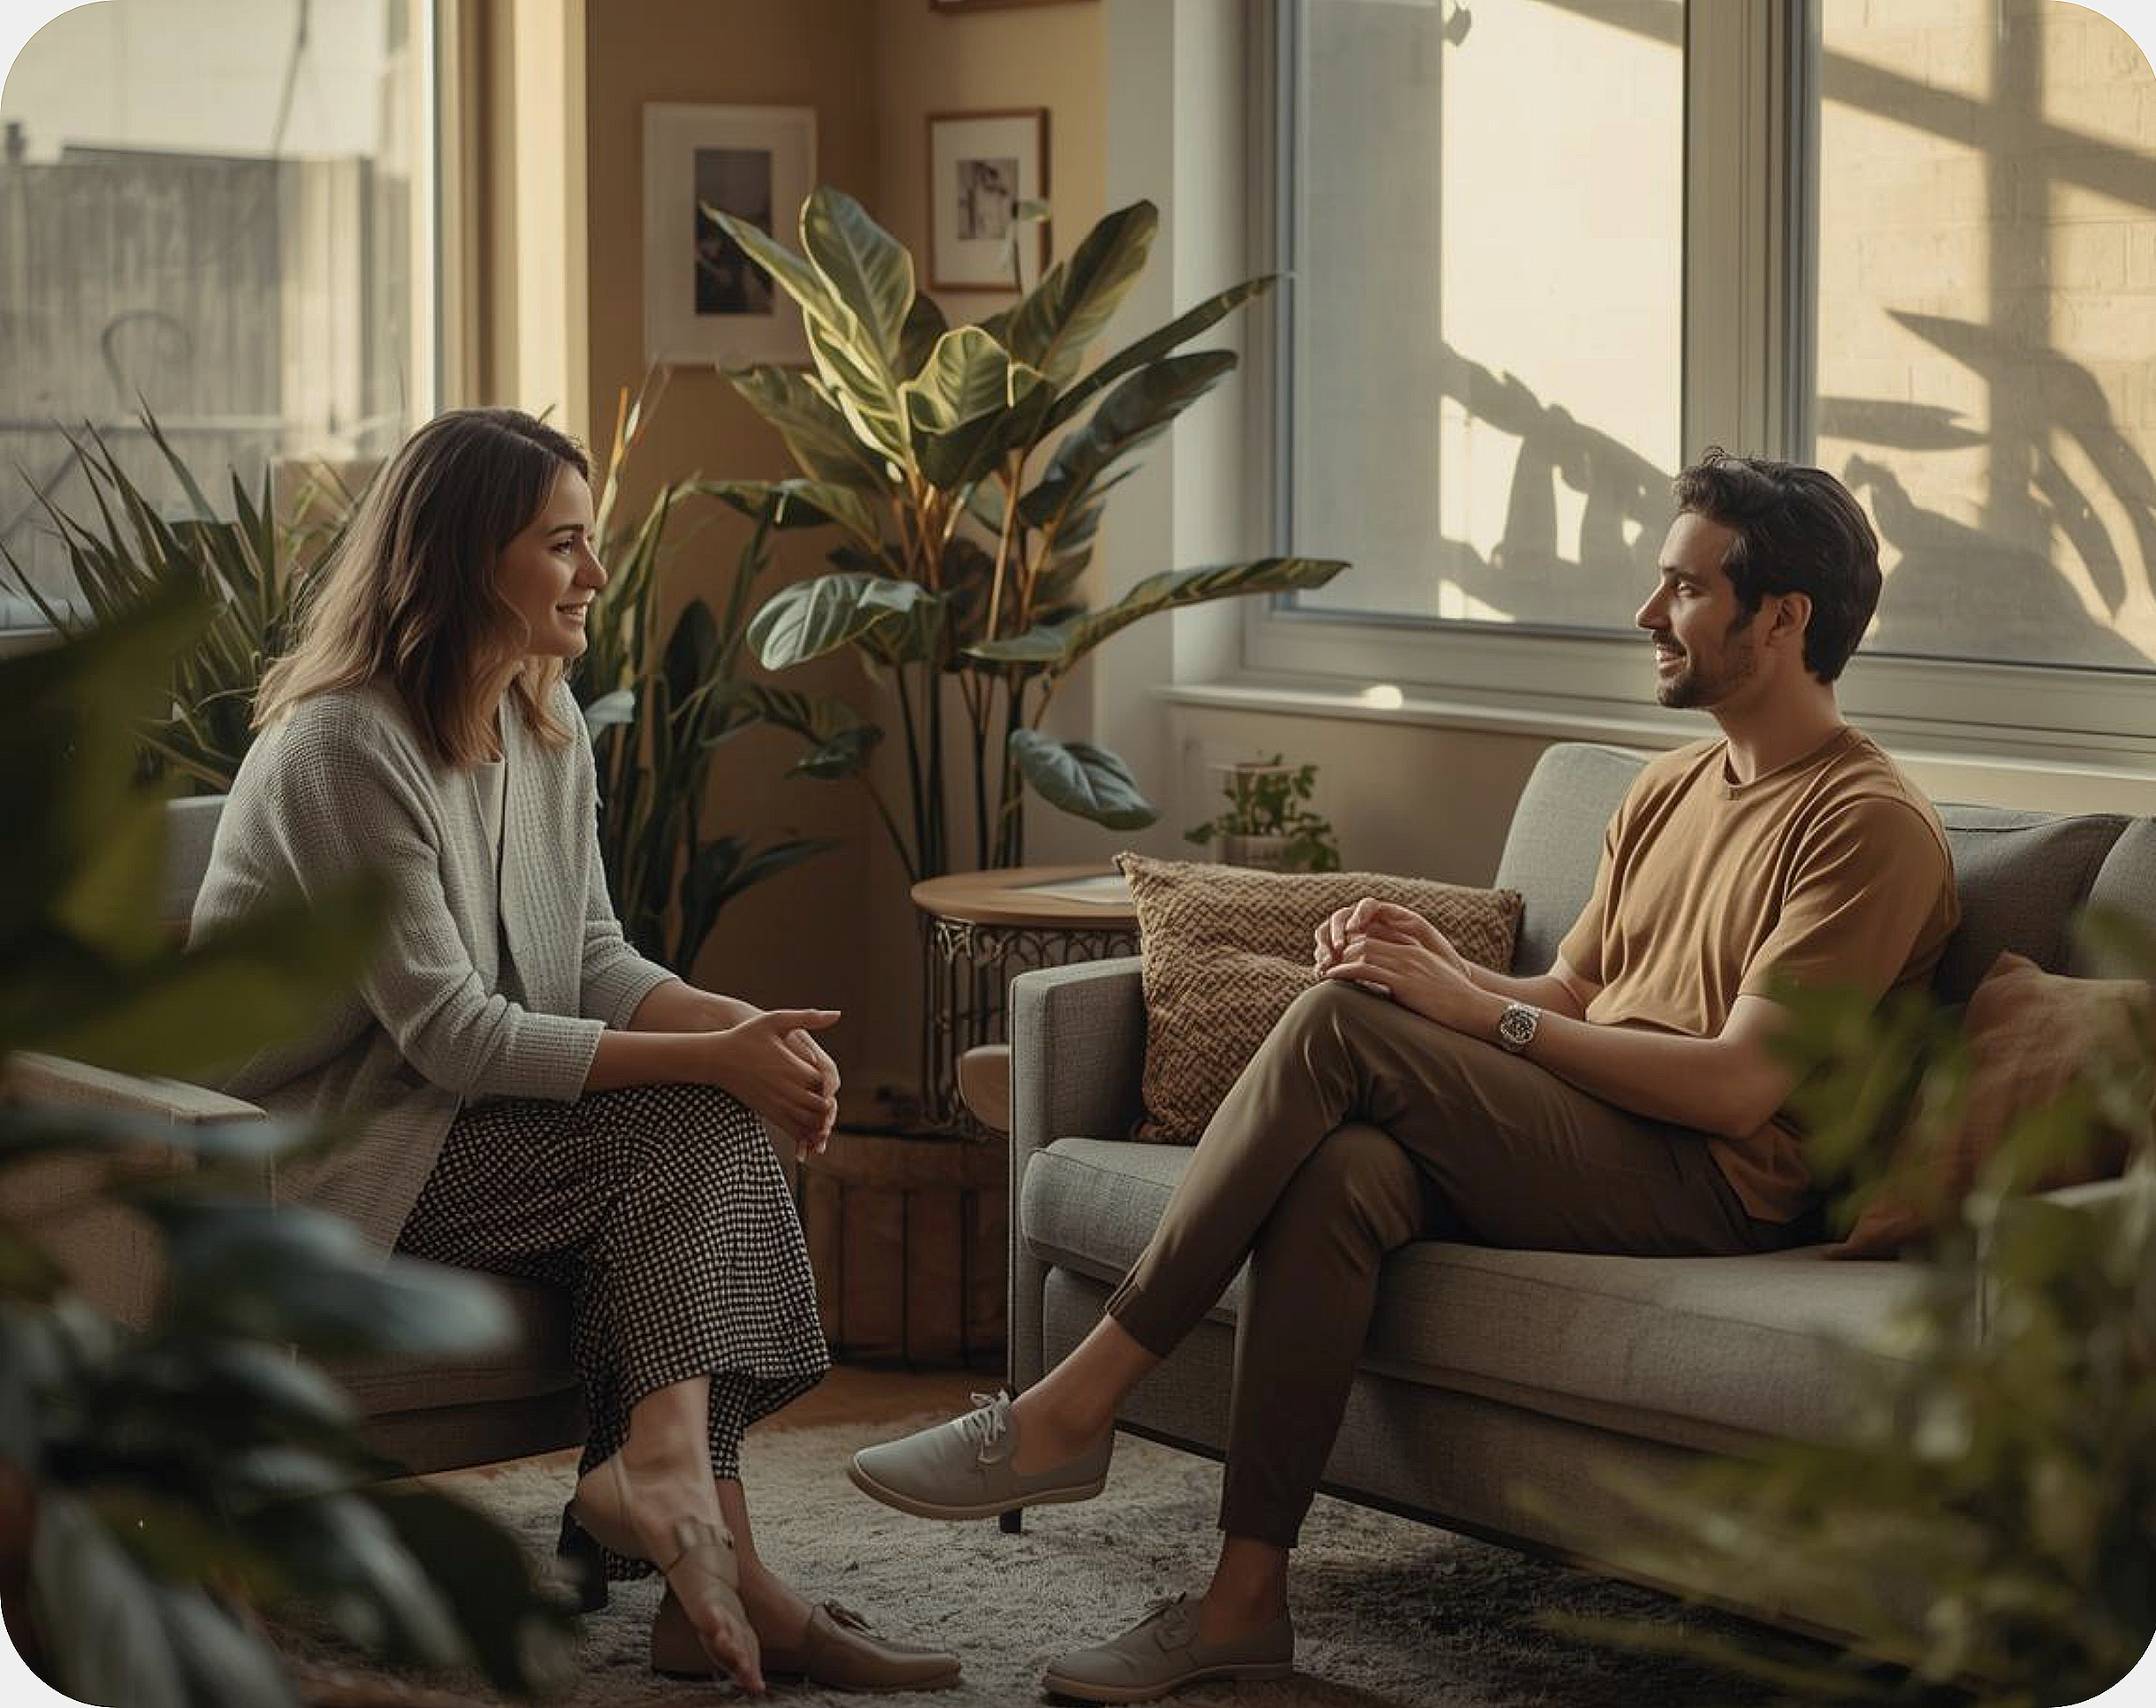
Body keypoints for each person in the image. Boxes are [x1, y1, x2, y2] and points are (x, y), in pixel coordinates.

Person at [849, 450, 1960, 1703]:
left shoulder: (1865, 824)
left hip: (1718, 1187)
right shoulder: (1667, 789)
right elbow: (1578, 999)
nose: (1648, 616)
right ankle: (1240, 1608)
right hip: (1602, 1138)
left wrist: (1466, 1024)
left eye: (1684, 588)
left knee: (1336, 1028)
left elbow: (1735, 1093)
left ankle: (1071, 1405)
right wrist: (1447, 975)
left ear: (1784, 617)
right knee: (1346, 1170)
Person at [193, 408, 960, 1697]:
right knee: (695, 1130)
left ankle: (667, 1499)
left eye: (590, 543)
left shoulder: (547, 728)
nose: (597, 577)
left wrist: (737, 1031)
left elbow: (594, 955)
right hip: (311, 1159)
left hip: (455, 1129)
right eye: (564, 545)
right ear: (456, 559)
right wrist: (718, 1067)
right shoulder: (341, 747)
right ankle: (698, 1534)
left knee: (705, 1131)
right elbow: (450, 1032)